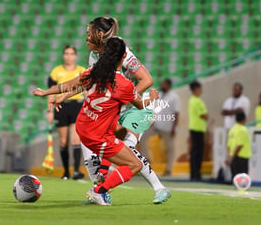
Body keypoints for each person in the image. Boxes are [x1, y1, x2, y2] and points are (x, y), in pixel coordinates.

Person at [34, 36, 160, 205]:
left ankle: (102, 171)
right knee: (134, 165)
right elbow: (139, 105)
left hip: (82, 127)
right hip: (98, 136)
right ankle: (99, 191)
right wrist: (151, 97)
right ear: (123, 58)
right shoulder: (125, 85)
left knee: (118, 135)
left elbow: (70, 84)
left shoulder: (94, 73)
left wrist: (46, 93)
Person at [82, 17, 170, 204]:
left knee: (126, 149)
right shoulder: (94, 57)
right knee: (102, 146)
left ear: (99, 35)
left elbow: (147, 80)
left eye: (89, 34)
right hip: (116, 107)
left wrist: (127, 97)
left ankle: (159, 188)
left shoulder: (123, 52)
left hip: (139, 107)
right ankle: (100, 186)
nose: (85, 38)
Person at [47, 45, 85, 180]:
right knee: (63, 141)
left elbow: (86, 89)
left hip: (77, 106)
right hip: (61, 105)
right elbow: (52, 90)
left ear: (75, 56)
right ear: (63, 55)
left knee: (76, 139)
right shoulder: (56, 71)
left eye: (71, 54)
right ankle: (66, 172)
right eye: (66, 54)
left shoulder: (81, 70)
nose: (69, 56)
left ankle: (75, 170)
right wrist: (49, 110)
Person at [140, 78, 180, 176]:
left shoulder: (174, 97)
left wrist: (174, 128)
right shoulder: (160, 95)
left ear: (168, 85)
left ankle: (169, 169)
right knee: (142, 137)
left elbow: (177, 113)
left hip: (167, 126)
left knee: (170, 148)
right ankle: (147, 159)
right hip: (156, 124)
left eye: (164, 84)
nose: (162, 86)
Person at [188, 80, 208, 181]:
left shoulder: (192, 100)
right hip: (198, 128)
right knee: (197, 153)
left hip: (194, 128)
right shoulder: (197, 101)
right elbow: (203, 115)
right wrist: (207, 115)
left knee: (194, 152)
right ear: (196, 89)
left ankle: (193, 173)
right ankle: (196, 174)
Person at [225, 111, 252, 178]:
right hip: (242, 156)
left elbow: (228, 144)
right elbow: (240, 145)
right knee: (242, 179)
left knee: (234, 178)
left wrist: (229, 157)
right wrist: (233, 156)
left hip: (233, 157)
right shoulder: (243, 130)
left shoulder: (232, 129)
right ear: (244, 119)